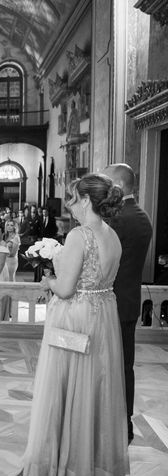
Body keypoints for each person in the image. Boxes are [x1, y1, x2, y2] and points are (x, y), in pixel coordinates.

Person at [20, 173, 128, 476]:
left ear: (86, 200)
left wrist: (48, 280)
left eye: (72, 198)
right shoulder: (111, 234)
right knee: (95, 387)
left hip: (75, 317)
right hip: (103, 315)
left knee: (63, 388)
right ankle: (91, 462)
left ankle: (62, 463)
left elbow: (66, 289)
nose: (69, 204)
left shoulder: (80, 235)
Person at [103, 163, 153, 444]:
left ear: (118, 187)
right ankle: (124, 424)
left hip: (110, 302)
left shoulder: (117, 219)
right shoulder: (142, 216)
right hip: (129, 301)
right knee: (125, 366)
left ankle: (116, 426)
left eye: (106, 183)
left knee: (110, 367)